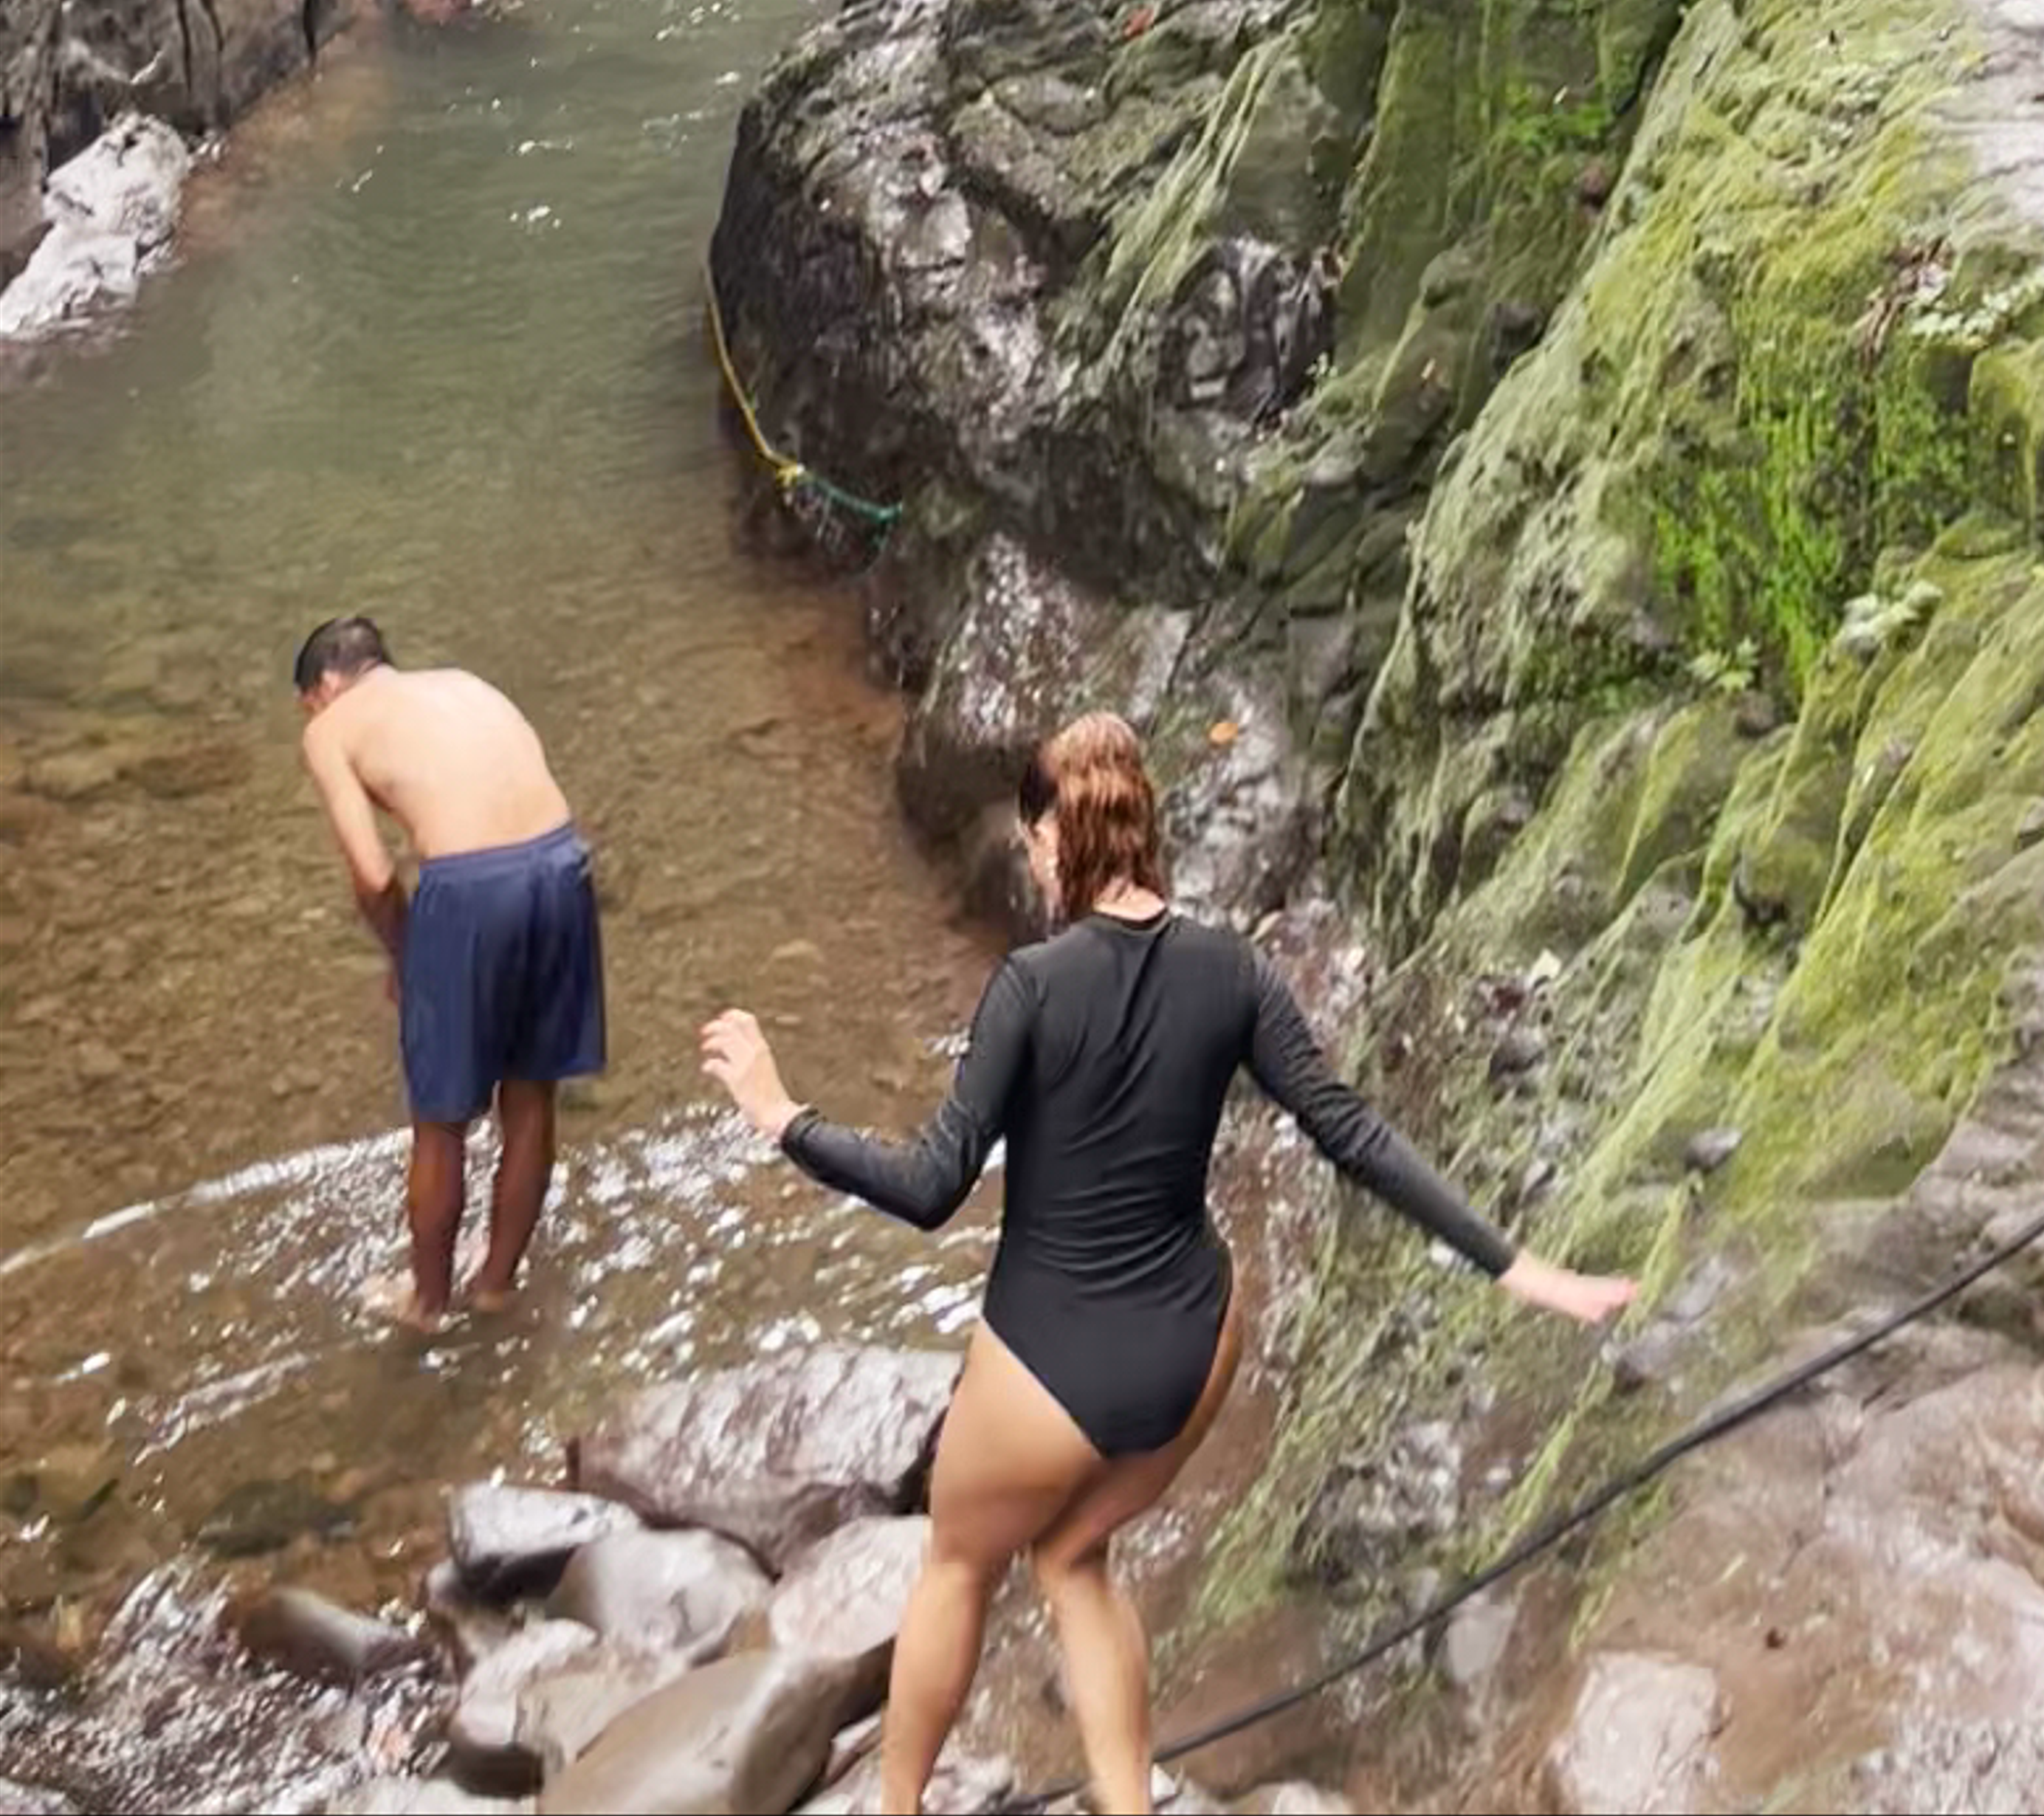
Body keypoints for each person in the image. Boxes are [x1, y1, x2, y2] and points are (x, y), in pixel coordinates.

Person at [702, 708, 1635, 1816]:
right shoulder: (1231, 971)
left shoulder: (1030, 986)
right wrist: (1520, 1264)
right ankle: (1124, 1800)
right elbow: (1352, 1131)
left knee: (958, 1558)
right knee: (1072, 1555)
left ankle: (897, 1804)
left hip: (1052, 1357)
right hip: (1194, 1345)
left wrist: (780, 1112)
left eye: (1033, 834)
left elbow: (928, 1185)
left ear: (1056, 838)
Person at [293, 615, 606, 1328]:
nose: (310, 721)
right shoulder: (463, 684)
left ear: (326, 686)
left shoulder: (330, 727)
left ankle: (427, 1303)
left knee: (439, 1122)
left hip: (472, 891)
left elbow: (373, 875)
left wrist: (407, 957)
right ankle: (495, 1283)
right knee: (531, 1097)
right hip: (562, 864)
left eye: (307, 705)